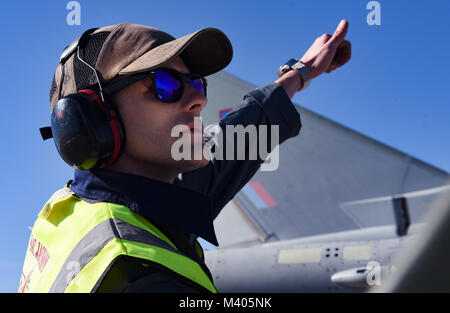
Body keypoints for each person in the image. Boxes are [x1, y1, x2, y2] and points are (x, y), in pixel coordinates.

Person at [18, 20, 351, 293]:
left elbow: (237, 140)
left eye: (197, 84)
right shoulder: (136, 273)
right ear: (92, 119)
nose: (198, 100)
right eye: (164, 84)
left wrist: (302, 71)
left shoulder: (85, 208)